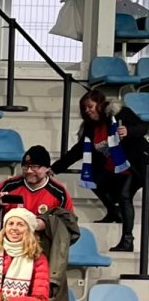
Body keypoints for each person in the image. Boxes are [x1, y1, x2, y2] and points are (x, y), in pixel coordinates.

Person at [0, 145, 79, 301]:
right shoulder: (10, 185)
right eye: (25, 167)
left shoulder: (59, 191)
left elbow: (69, 226)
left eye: (35, 167)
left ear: (47, 168)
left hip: (40, 257)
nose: (29, 171)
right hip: (8, 258)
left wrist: (46, 224)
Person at [52, 88, 147, 251]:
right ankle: (113, 212)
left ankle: (127, 240)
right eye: (84, 109)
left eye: (90, 106)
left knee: (125, 197)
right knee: (93, 181)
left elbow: (142, 128)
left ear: (100, 104)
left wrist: (128, 131)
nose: (87, 111)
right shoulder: (90, 128)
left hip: (134, 165)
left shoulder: (120, 114)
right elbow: (77, 151)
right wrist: (54, 168)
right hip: (113, 168)